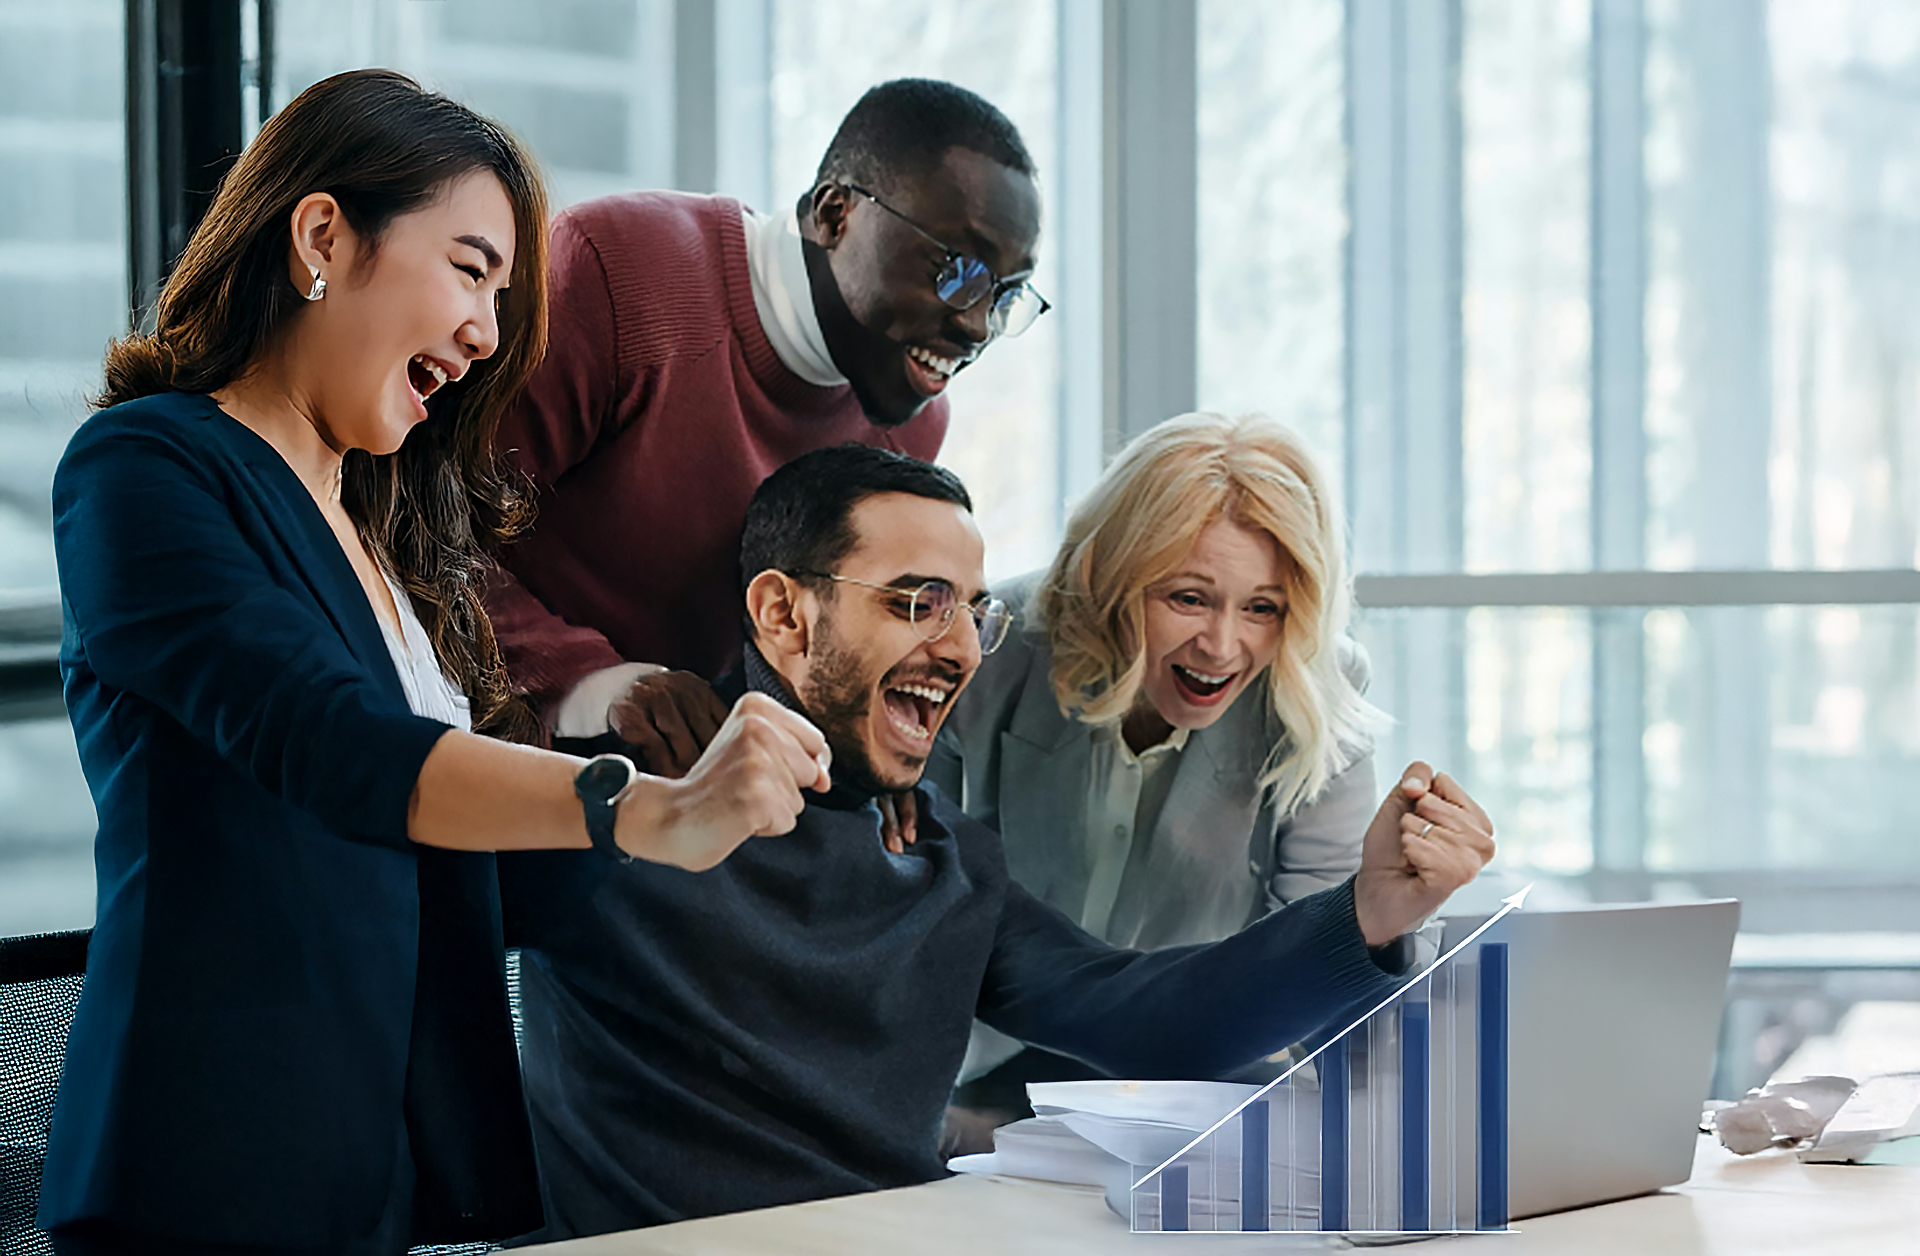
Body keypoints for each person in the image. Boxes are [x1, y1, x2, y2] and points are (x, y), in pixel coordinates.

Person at [43, 70, 829, 1256]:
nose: (488, 333)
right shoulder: (143, 468)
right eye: (470, 269)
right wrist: (641, 810)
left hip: (378, 1173)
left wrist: (714, 754)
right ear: (321, 234)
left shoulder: (386, 539)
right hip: (208, 1168)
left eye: (504, 294)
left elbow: (482, 874)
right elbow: (330, 743)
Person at [499, 444, 1495, 1241]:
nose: (964, 645)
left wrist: (1370, 911)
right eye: (914, 601)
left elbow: (1148, 1015)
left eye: (969, 611)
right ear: (781, 615)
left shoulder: (945, 858)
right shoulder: (613, 806)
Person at [480, 77, 1046, 769]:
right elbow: (418, 532)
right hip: (486, 751)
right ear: (837, 214)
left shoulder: (915, 425)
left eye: (1008, 294)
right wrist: (594, 685)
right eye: (957, 270)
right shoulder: (620, 270)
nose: (977, 325)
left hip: (691, 800)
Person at [928, 412, 1382, 1124]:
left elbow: (1317, 944)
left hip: (1199, 1077)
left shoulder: (1319, 687)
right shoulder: (993, 647)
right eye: (1188, 598)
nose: (1222, 646)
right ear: (1112, 576)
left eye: (1263, 607)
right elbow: (910, 889)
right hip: (971, 1068)